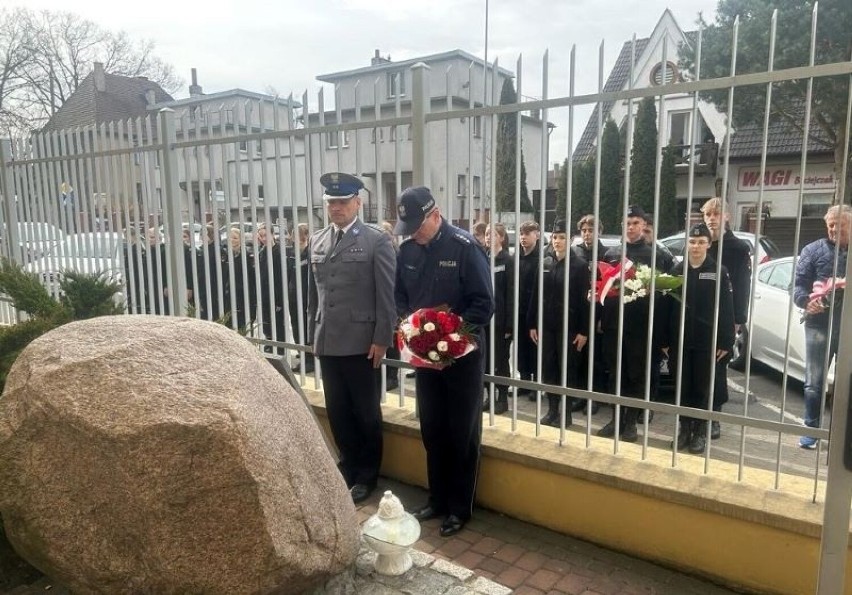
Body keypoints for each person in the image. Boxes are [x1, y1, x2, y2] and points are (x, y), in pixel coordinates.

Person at [394, 186, 493, 538]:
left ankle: (458, 508)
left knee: (461, 433)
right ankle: (436, 499)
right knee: (432, 429)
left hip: (461, 358)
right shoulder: (407, 250)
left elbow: (483, 304)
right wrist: (414, 331)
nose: (414, 235)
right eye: (409, 229)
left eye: (418, 226)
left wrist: (451, 340)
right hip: (425, 359)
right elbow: (401, 300)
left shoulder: (466, 248)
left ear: (436, 215)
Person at [307, 172, 397, 504]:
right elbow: (314, 296)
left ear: (358, 203)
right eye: (331, 202)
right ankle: (348, 464)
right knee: (338, 410)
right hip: (329, 341)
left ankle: (367, 474)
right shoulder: (317, 240)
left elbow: (386, 296)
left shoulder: (376, 240)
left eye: (342, 201)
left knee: (366, 412)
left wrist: (382, 339)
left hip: (362, 343)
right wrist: (312, 334)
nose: (336, 207)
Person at [597, 205, 672, 442]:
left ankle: (631, 423)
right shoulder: (611, 254)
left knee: (636, 375)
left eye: (636, 223)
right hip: (613, 325)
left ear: (644, 226)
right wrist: (600, 319)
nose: (631, 228)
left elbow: (663, 294)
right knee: (614, 374)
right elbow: (601, 289)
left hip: (639, 327)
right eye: (627, 223)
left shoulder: (654, 256)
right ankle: (616, 419)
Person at [663, 223, 735, 454]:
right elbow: (665, 308)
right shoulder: (676, 270)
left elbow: (726, 308)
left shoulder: (719, 271)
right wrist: (663, 340)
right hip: (679, 340)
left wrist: (726, 341)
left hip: (707, 342)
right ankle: (684, 429)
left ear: (709, 244)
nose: (696, 246)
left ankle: (700, 432)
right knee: (682, 387)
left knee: (703, 388)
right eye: (692, 242)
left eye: (701, 242)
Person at [794, 204, 851, 450]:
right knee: (814, 382)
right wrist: (807, 301)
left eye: (842, 225)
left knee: (847, 382)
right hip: (818, 325)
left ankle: (843, 434)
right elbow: (797, 287)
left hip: (849, 327)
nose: (835, 229)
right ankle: (811, 430)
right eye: (831, 225)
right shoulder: (812, 251)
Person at [526, 219, 589, 427]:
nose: (557, 241)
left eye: (562, 237)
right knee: (549, 368)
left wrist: (583, 330)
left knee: (568, 369)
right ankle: (552, 410)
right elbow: (536, 294)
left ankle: (566, 413)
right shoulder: (545, 262)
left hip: (569, 327)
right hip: (547, 325)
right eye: (554, 237)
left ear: (570, 239)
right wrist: (532, 323)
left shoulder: (579, 266)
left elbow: (584, 301)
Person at [702, 197, 752, 440]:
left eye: (716, 214)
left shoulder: (739, 248)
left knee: (718, 369)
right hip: (699, 316)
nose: (712, 219)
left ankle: (714, 418)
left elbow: (743, 286)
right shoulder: (700, 243)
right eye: (708, 215)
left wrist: (737, 320)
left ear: (727, 217)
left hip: (724, 317)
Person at [572, 214, 608, 407]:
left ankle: (595, 398)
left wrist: (603, 318)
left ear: (599, 231)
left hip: (598, 311)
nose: (587, 234)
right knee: (580, 355)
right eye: (584, 231)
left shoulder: (607, 253)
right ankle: (580, 395)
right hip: (579, 311)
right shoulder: (575, 252)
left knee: (596, 357)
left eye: (591, 230)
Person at [481, 222, 514, 414]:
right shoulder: (483, 259)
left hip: (501, 321)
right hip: (485, 319)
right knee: (485, 360)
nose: (488, 237)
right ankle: (489, 395)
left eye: (492, 234)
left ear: (501, 238)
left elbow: (511, 294)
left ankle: (502, 398)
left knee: (501, 359)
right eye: (486, 234)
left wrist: (510, 324)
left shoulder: (507, 261)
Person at [516, 220, 542, 399]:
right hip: (519, 310)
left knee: (535, 349)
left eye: (528, 233)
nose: (523, 237)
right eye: (522, 234)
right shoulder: (517, 257)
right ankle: (524, 381)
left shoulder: (541, 258)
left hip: (534, 311)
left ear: (537, 235)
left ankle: (536, 385)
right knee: (521, 348)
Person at [257, 223, 287, 354]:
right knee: (266, 322)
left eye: (265, 235)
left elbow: (281, 278)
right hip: (264, 293)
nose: (263, 238)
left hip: (276, 294)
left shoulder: (279, 252)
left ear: (272, 235)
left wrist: (279, 301)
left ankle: (280, 348)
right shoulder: (262, 252)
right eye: (261, 236)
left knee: (278, 323)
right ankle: (269, 343)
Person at [288, 223, 313, 372]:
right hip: (293, 296)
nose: (294, 239)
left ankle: (308, 359)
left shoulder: (310, 253)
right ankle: (301, 351)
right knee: (296, 326)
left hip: (306, 297)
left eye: (297, 235)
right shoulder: (293, 253)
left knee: (305, 327)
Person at [224, 227, 256, 330]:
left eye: (235, 238)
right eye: (230, 238)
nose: (232, 240)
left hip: (243, 298)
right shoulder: (225, 255)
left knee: (244, 327)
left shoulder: (248, 256)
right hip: (229, 298)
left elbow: (252, 279)